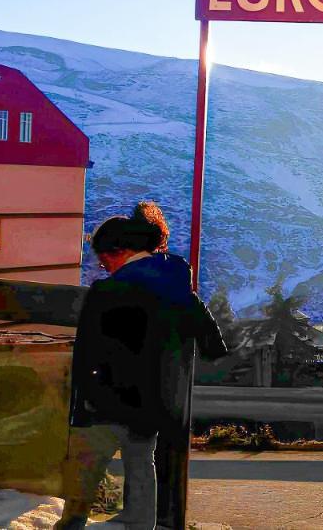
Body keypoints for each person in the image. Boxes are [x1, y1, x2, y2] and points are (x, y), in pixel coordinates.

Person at [55, 202, 227, 530]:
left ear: (118, 251)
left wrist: (81, 400)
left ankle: (72, 525)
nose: (103, 267)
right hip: (154, 400)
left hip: (107, 399)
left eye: (104, 259)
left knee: (85, 467)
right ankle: (139, 522)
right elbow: (207, 332)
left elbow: (87, 351)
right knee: (141, 463)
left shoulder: (107, 291)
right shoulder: (175, 281)